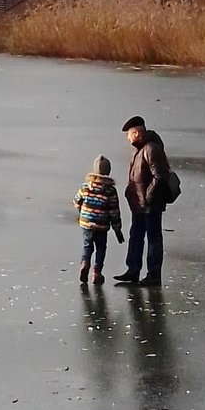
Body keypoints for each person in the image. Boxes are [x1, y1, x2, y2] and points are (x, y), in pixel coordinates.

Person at [113, 115, 170, 287]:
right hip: (139, 204)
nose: (128, 138)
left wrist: (149, 197)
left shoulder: (151, 149)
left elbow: (160, 176)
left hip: (150, 204)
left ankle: (153, 274)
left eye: (129, 134)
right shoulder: (139, 149)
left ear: (136, 133)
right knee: (136, 236)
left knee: (153, 238)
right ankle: (133, 270)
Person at [74, 155, 124, 285]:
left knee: (87, 245)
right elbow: (114, 212)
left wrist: (81, 212)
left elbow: (76, 200)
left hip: (86, 223)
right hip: (101, 225)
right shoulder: (110, 190)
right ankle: (97, 271)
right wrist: (117, 229)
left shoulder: (86, 186)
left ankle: (85, 264)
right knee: (101, 248)